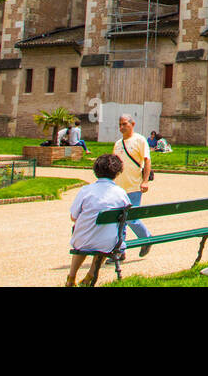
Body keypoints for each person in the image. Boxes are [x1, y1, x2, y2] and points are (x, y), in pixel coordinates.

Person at [66, 154, 131, 286]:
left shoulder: (86, 191)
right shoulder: (120, 193)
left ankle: (71, 277)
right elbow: (126, 216)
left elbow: (73, 217)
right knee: (104, 237)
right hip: (108, 242)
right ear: (117, 173)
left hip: (83, 240)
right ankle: (91, 274)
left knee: (85, 237)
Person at [112, 114, 152, 256]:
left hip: (134, 186)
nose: (122, 127)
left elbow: (147, 161)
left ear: (132, 124)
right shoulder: (117, 144)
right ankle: (119, 251)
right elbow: (114, 165)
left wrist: (145, 181)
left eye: (124, 124)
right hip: (118, 187)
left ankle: (146, 238)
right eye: (120, 124)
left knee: (131, 218)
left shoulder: (140, 140)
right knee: (119, 220)